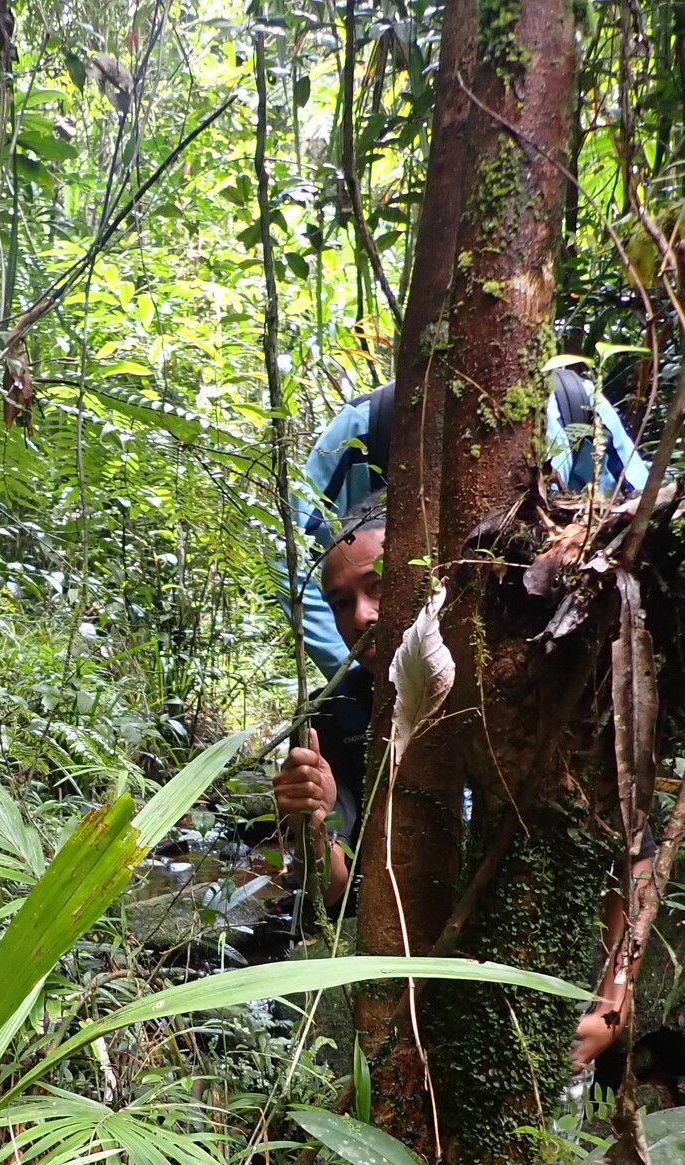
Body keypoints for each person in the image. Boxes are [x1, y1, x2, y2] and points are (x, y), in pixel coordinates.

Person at [273, 497, 653, 1066]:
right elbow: (336, 893)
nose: (360, 617)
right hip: (412, 974)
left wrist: (613, 1004)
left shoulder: (533, 680)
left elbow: (631, 853)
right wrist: (309, 823)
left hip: (549, 961)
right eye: (340, 602)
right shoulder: (337, 715)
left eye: (378, 588)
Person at [296, 373, 651, 680]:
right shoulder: (368, 425)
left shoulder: (576, 404)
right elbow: (296, 559)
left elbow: (637, 520)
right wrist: (362, 675)